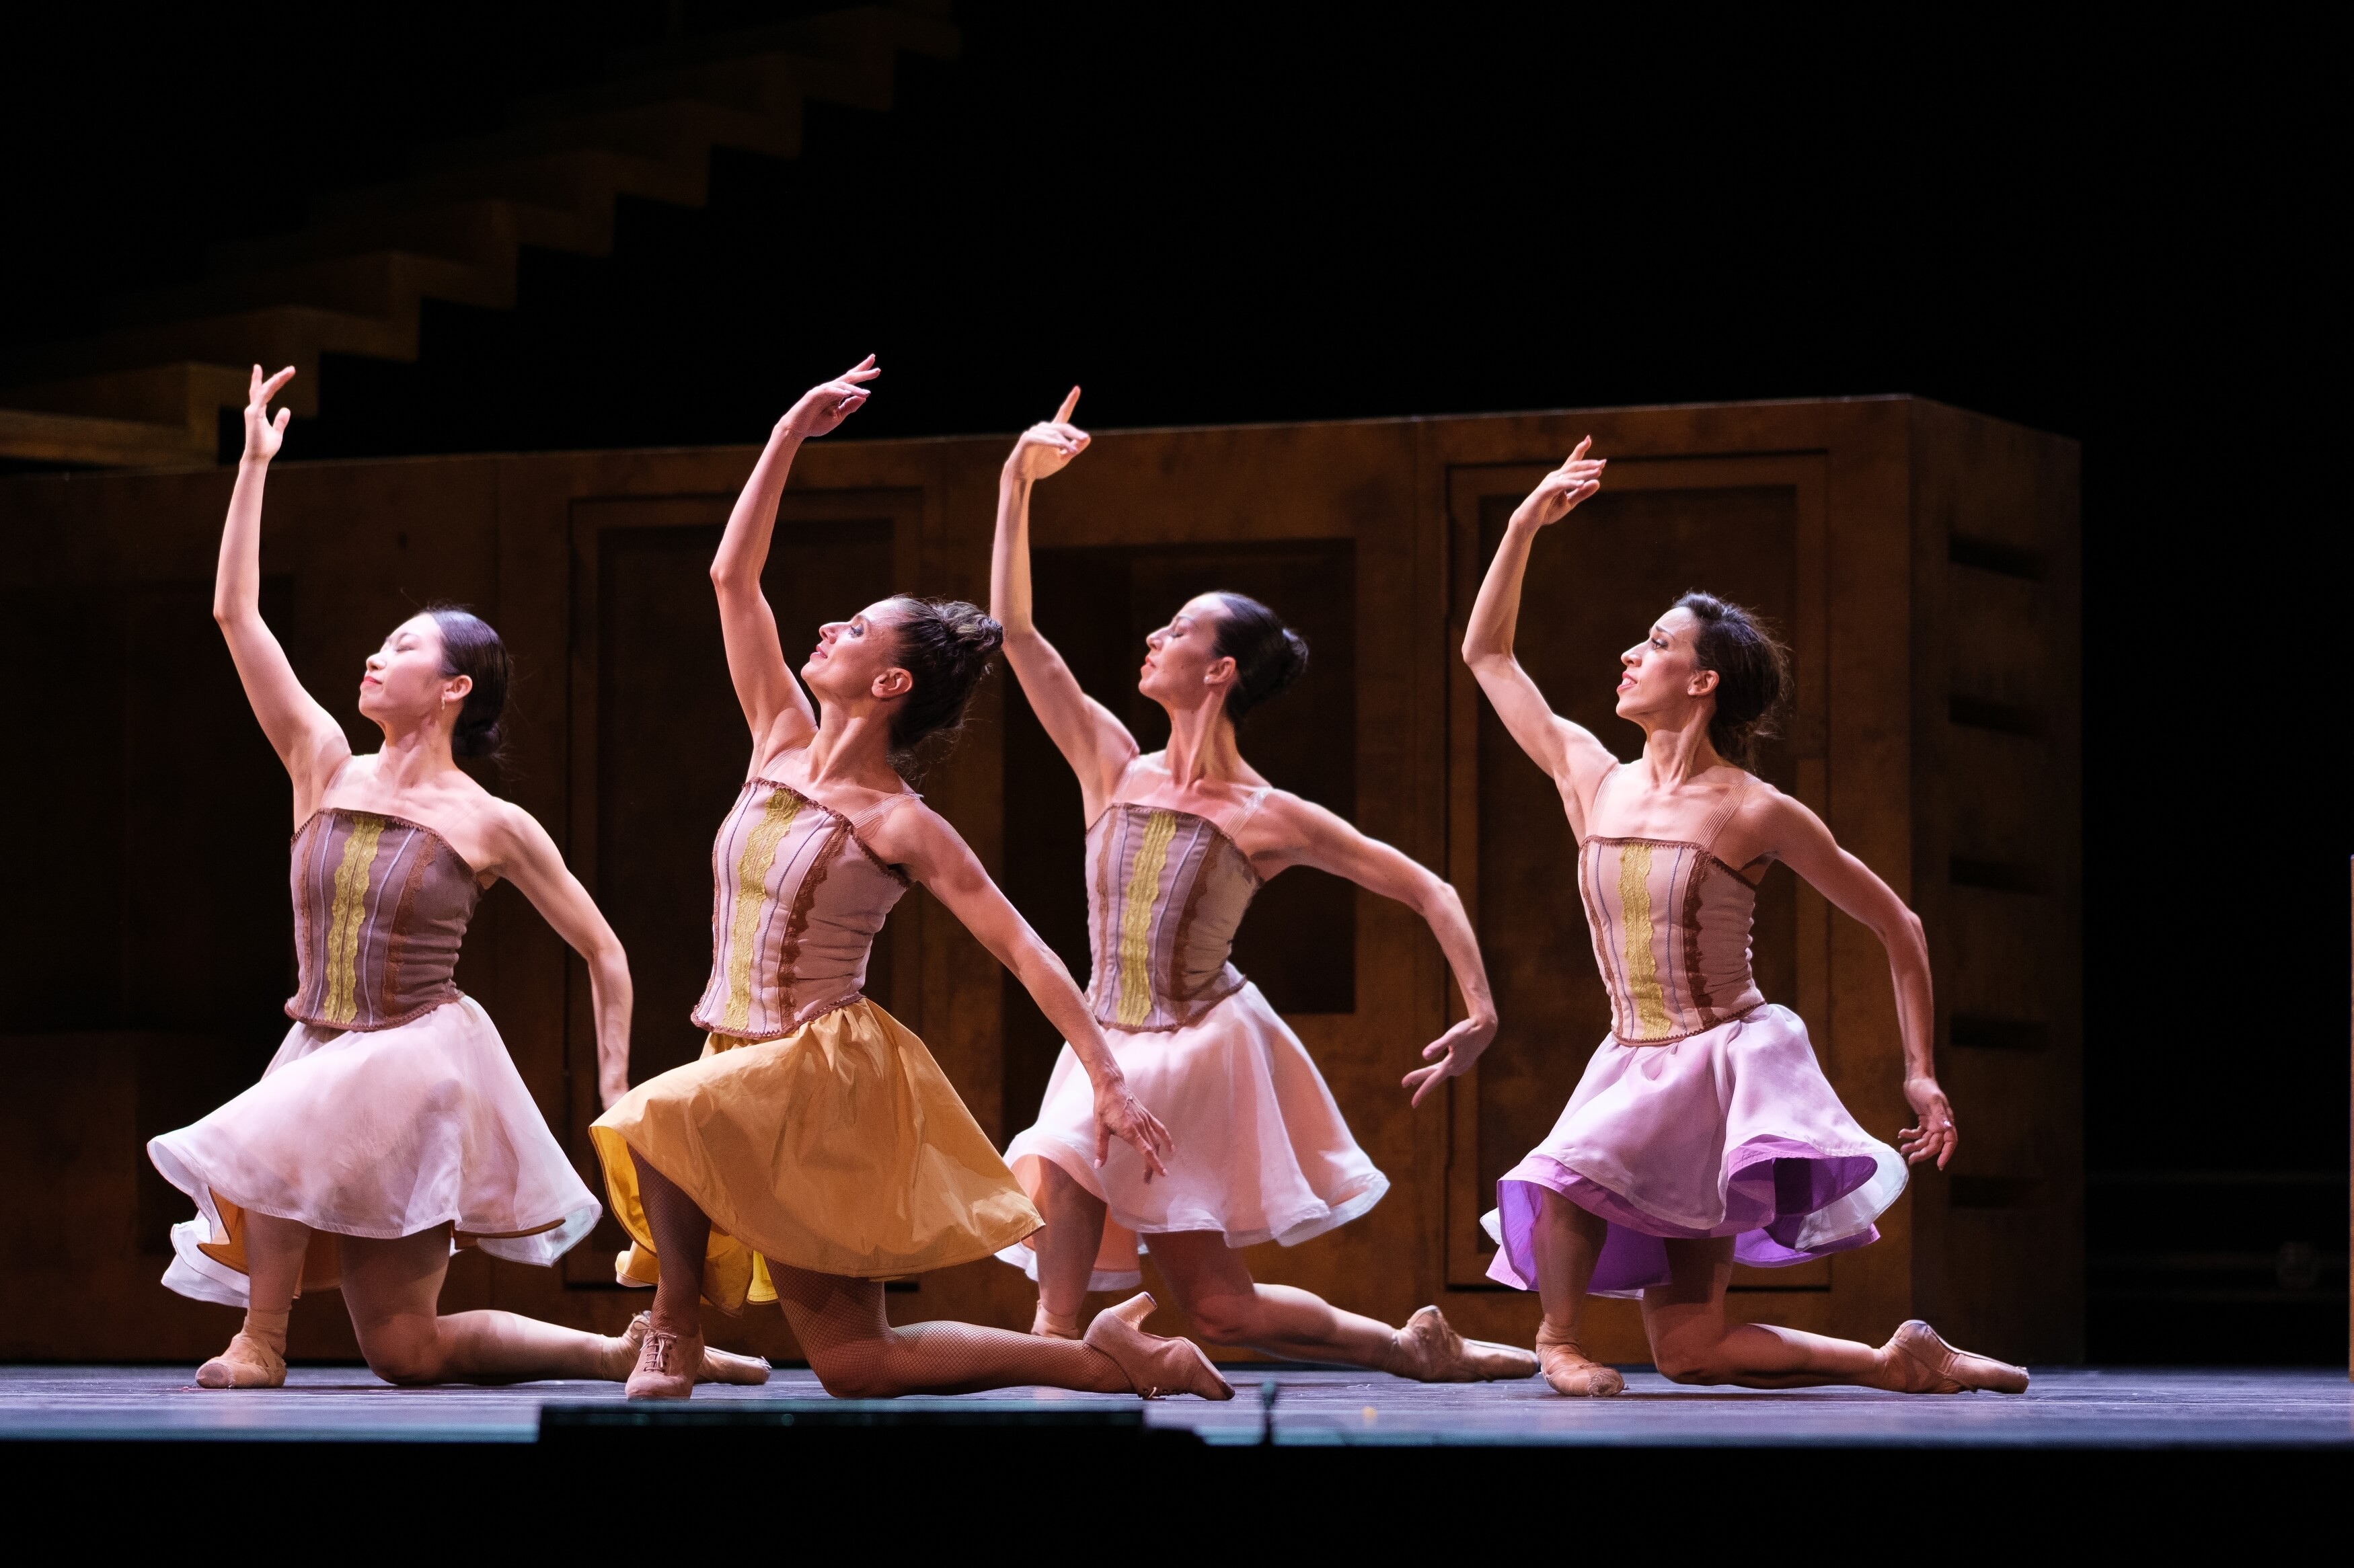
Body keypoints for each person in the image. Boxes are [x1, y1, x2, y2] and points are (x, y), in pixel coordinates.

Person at [591, 360, 1229, 1402]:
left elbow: (1024, 947)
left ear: (891, 684)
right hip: (734, 1059)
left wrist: (1106, 1076)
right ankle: (1112, 1364)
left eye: (853, 629)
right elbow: (730, 580)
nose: (826, 630)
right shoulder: (776, 741)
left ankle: (670, 1327)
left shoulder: (903, 825)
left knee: (656, 1116)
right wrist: (788, 433)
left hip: (816, 1071)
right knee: (856, 1364)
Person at [151, 366, 763, 1392]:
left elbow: (602, 948)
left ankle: (265, 1339)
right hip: (322, 1039)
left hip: (414, 1055)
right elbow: (235, 616)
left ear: (453, 689)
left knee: (289, 1117)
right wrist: (253, 467)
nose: (374, 659)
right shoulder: (320, 761)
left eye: (402, 649)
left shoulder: (491, 823)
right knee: (406, 1349)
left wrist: (614, 1083)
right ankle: (614, 1348)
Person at [1460, 438, 2028, 1397]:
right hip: (1634, 1050)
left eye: (1658, 644)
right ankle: (1897, 1361)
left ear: (1703, 681)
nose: (1632, 655)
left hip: (1724, 1060)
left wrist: (1921, 1076)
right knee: (1690, 1350)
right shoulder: (1591, 777)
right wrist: (1523, 524)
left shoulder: (1750, 809)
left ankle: (1557, 1341)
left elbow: (1902, 926)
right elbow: (1488, 654)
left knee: (1566, 1173)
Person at [987, 390, 1533, 1382]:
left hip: (1198, 1049)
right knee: (1149, 1288)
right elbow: (1016, 633)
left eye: (1180, 629)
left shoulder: (1269, 815)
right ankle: (1403, 1346)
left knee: (1209, 1302)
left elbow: (1430, 890)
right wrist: (1014, 483)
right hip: (1104, 1036)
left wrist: (1481, 1007)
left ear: (1221, 669)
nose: (1154, 635)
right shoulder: (1112, 763)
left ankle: (1399, 1349)